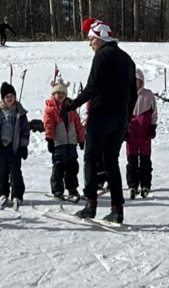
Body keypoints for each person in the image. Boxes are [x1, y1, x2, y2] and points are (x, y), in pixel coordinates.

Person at [61, 18, 137, 224]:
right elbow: (133, 95)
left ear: (100, 38)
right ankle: (117, 208)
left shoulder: (101, 56)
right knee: (112, 162)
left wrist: (71, 105)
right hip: (119, 119)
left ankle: (91, 204)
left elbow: (91, 88)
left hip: (101, 117)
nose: (90, 44)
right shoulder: (127, 59)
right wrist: (127, 120)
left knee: (91, 159)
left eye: (91, 39)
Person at [0, 81, 31, 210]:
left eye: (12, 96)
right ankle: (3, 193)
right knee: (1, 172)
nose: (10, 99)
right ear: (3, 98)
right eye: (7, 97)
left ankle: (17, 194)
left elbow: (25, 130)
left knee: (15, 172)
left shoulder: (20, 112)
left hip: (14, 146)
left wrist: (23, 145)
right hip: (1, 146)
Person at [43, 77, 84, 201]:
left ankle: (72, 188)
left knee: (72, 166)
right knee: (59, 166)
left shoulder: (71, 108)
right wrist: (49, 139)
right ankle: (58, 190)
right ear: (53, 94)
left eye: (63, 93)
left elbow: (78, 125)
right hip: (59, 143)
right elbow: (48, 125)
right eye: (58, 93)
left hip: (71, 143)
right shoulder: (50, 109)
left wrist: (81, 139)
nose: (60, 95)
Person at [126, 69, 158, 198]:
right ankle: (132, 185)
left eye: (137, 80)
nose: (135, 83)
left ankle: (146, 184)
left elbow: (154, 113)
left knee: (145, 161)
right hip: (131, 134)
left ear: (142, 81)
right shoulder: (126, 94)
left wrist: (153, 126)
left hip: (145, 134)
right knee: (132, 162)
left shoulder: (148, 95)